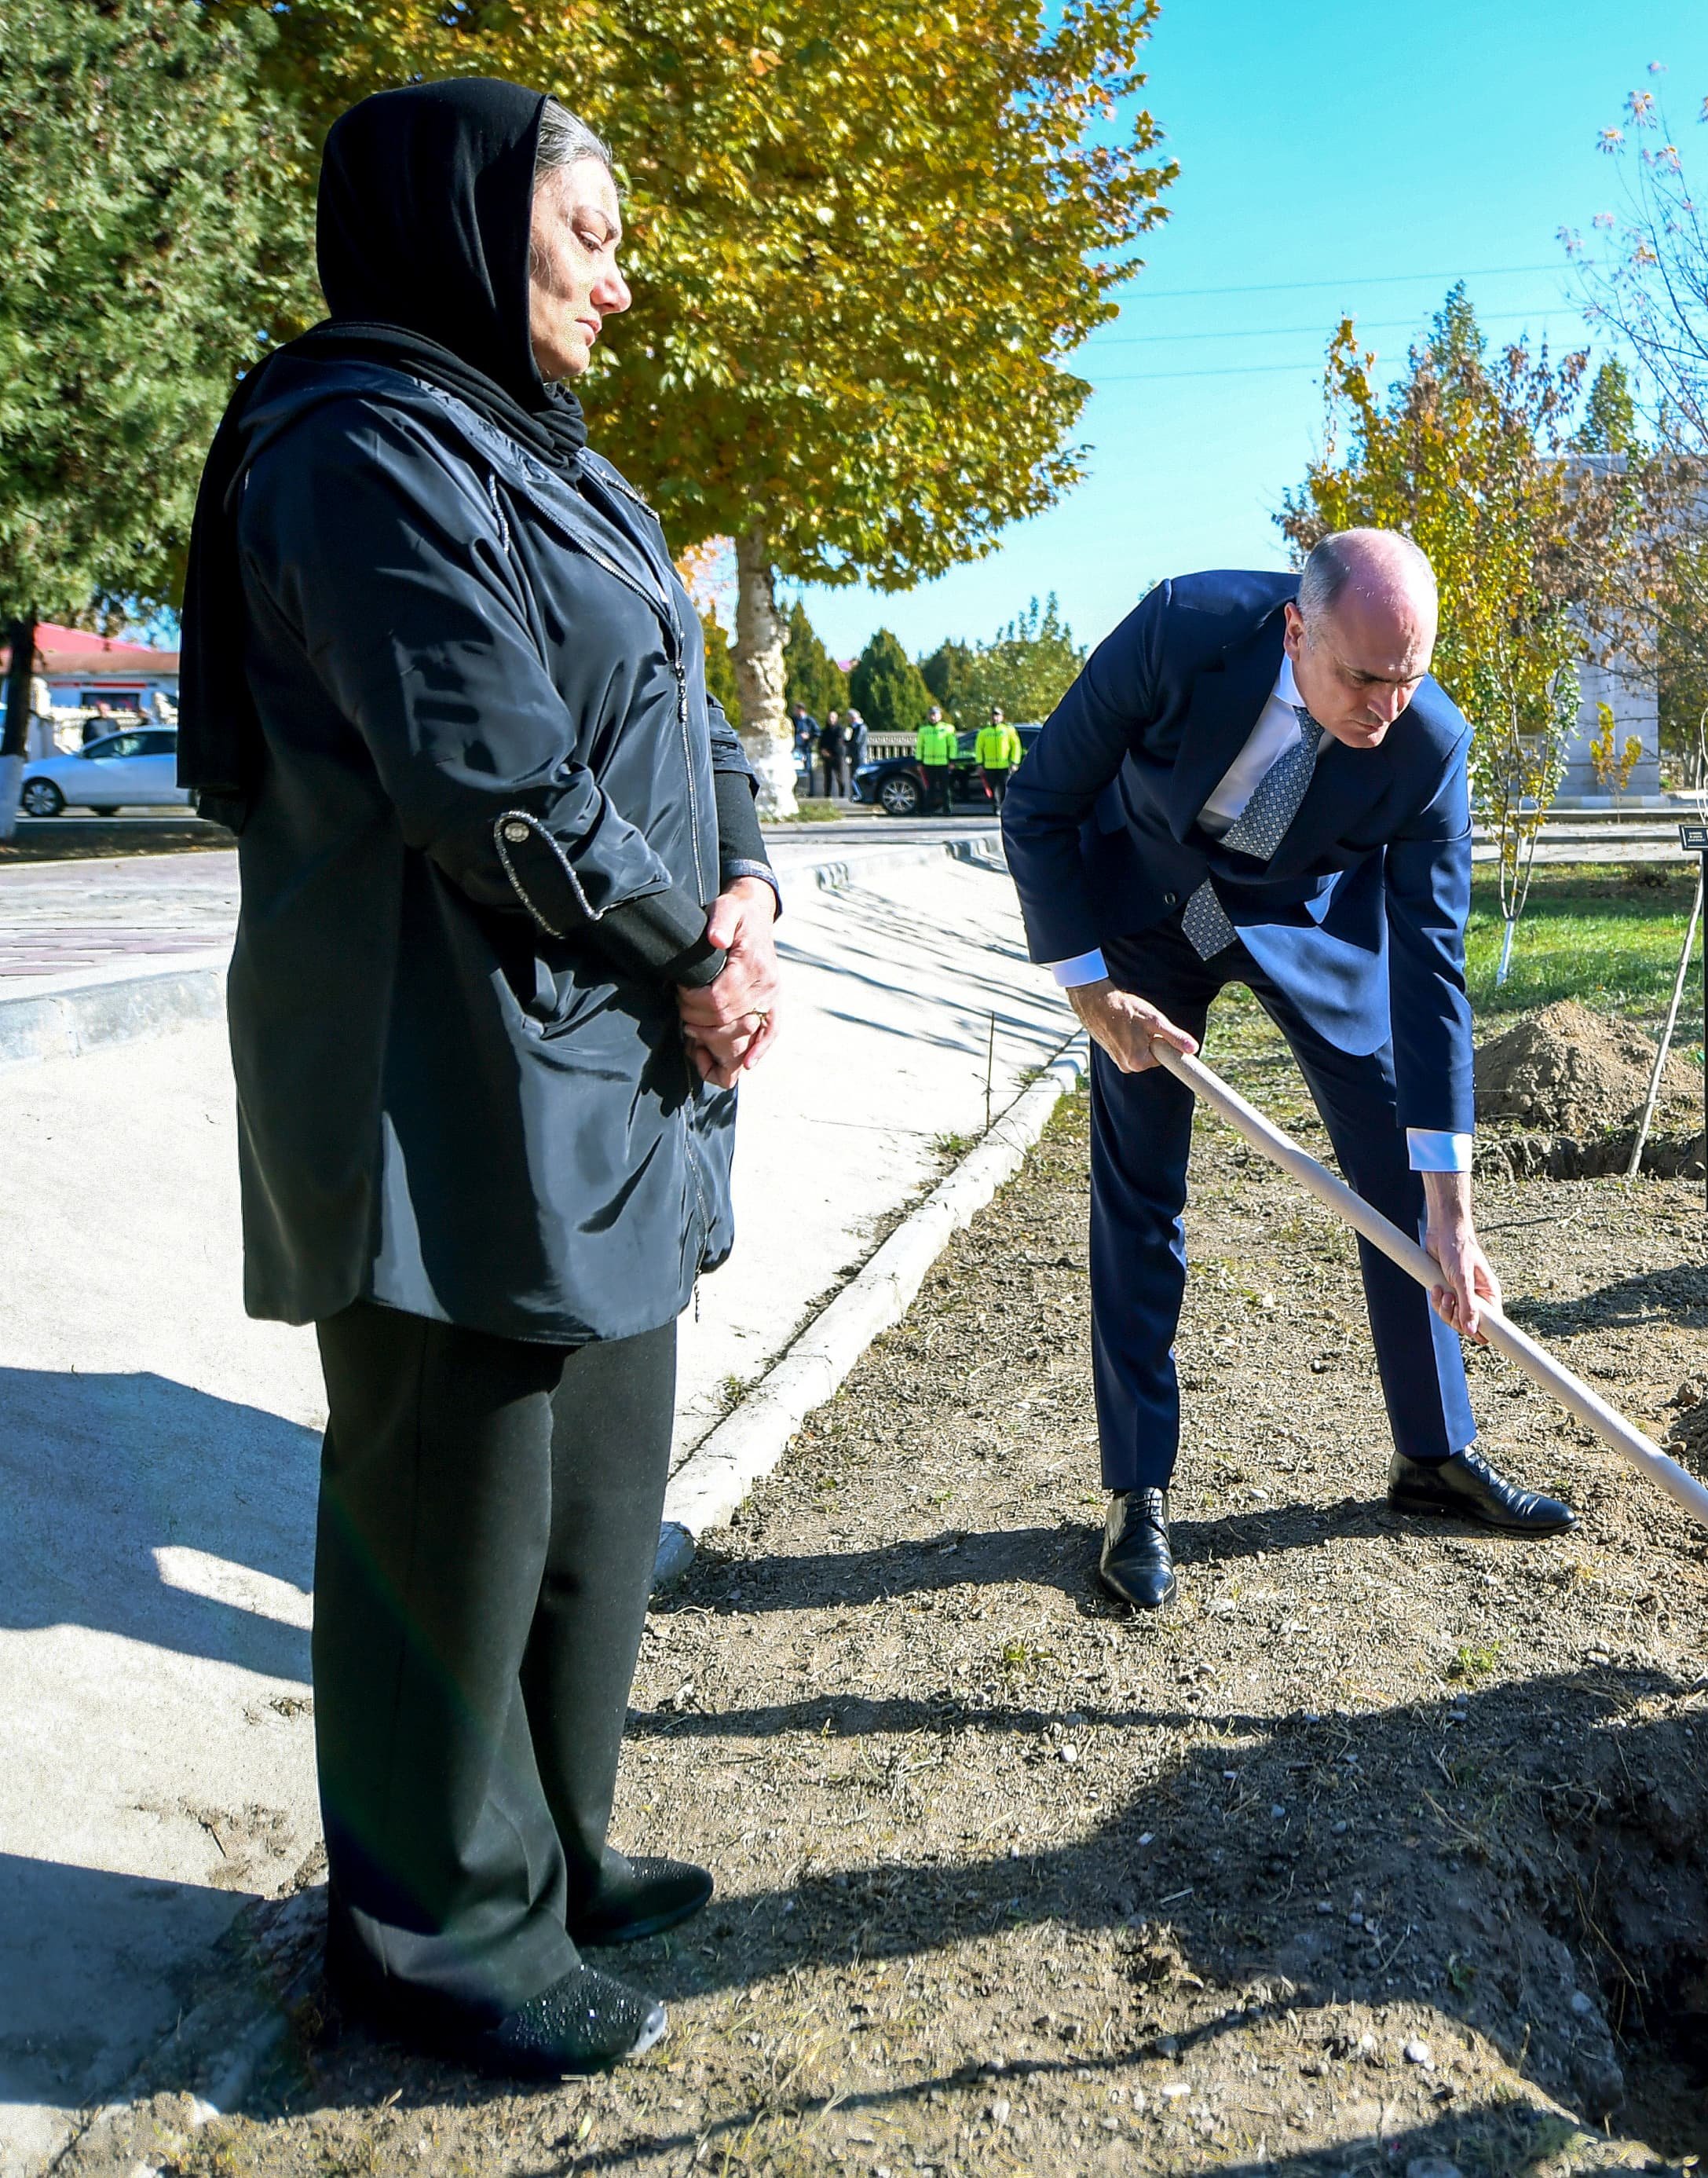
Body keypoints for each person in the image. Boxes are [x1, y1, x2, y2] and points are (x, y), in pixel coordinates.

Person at [174, 79, 782, 2077]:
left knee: (590, 1491)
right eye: (590, 232)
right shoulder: (361, 449)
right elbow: (492, 783)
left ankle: (558, 1854)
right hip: (436, 1078)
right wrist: (683, 946)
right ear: (466, 224)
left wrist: (750, 889)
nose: (627, 275)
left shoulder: (553, 459)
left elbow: (681, 714)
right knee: (453, 1499)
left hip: (599, 1063)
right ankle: (438, 1932)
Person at [1000, 530, 1572, 1613]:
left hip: (1297, 916)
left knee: (1397, 1159)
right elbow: (1039, 802)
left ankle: (1433, 1454)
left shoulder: (1428, 744)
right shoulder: (1181, 629)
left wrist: (1453, 1205)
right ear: (1297, 628)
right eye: (1364, 678)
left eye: (1409, 680)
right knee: (1141, 1187)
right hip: (1146, 901)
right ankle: (1137, 1488)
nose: (1386, 709)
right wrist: (1089, 994)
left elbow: (1433, 972)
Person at [975, 706, 1022, 811]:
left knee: (1004, 788)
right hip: (989, 766)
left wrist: (1014, 762)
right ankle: (995, 807)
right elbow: (979, 748)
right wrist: (979, 764)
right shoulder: (984, 732)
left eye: (997, 716)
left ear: (1002, 717)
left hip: (1004, 766)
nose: (995, 718)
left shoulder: (1008, 730)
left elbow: (1016, 746)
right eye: (993, 716)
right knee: (992, 788)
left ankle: (1004, 807)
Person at [917, 705, 956, 813]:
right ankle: (928, 810)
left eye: (935, 715)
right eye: (931, 715)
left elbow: (952, 746)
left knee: (945, 789)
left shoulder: (947, 729)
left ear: (940, 716)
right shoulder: (924, 730)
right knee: (930, 789)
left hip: (943, 763)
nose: (933, 717)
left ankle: (947, 810)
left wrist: (952, 760)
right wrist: (919, 762)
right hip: (928, 763)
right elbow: (920, 747)